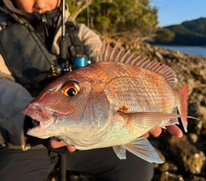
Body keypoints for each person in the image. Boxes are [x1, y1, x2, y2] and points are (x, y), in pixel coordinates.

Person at [0, 0, 183, 181]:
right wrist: (26, 121)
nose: (40, 3)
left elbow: (105, 64)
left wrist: (164, 110)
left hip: (91, 135)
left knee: (138, 170)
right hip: (19, 142)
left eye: (71, 92)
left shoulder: (79, 32)